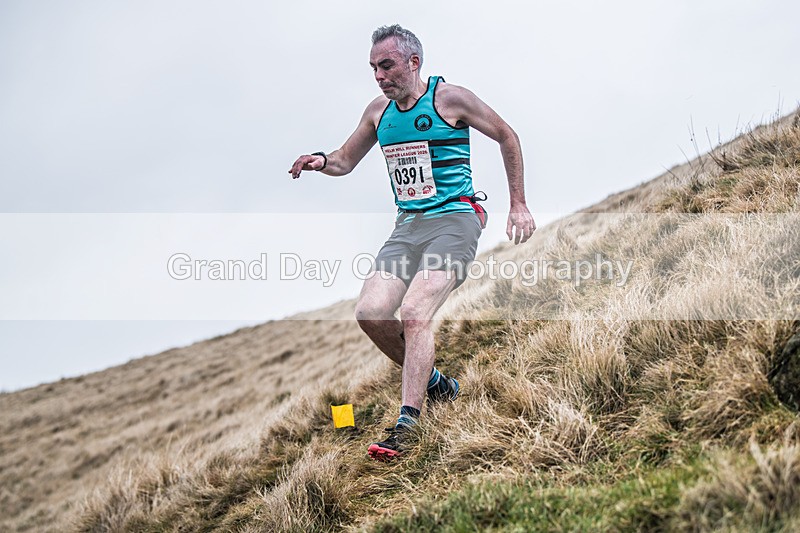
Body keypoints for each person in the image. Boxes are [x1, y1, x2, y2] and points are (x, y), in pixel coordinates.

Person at [289, 24, 535, 460]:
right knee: (370, 313)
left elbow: (507, 136)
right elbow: (345, 160)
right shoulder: (377, 112)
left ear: (413, 62)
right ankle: (437, 383)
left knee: (416, 311)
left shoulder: (449, 99)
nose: (379, 76)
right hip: (408, 227)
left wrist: (518, 203)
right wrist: (320, 161)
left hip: (455, 219)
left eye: (386, 65)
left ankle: (408, 424)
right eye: (373, 68)